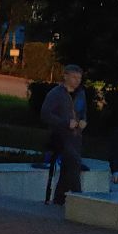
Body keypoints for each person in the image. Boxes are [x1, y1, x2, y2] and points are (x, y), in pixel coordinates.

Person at [42, 64, 87, 206]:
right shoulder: (55, 94)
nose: (77, 80)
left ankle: (59, 199)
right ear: (66, 76)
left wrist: (84, 121)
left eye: (79, 78)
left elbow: (83, 111)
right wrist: (65, 123)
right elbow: (45, 114)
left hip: (76, 137)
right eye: (74, 77)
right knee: (74, 165)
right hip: (60, 137)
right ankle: (79, 200)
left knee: (68, 169)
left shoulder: (81, 94)